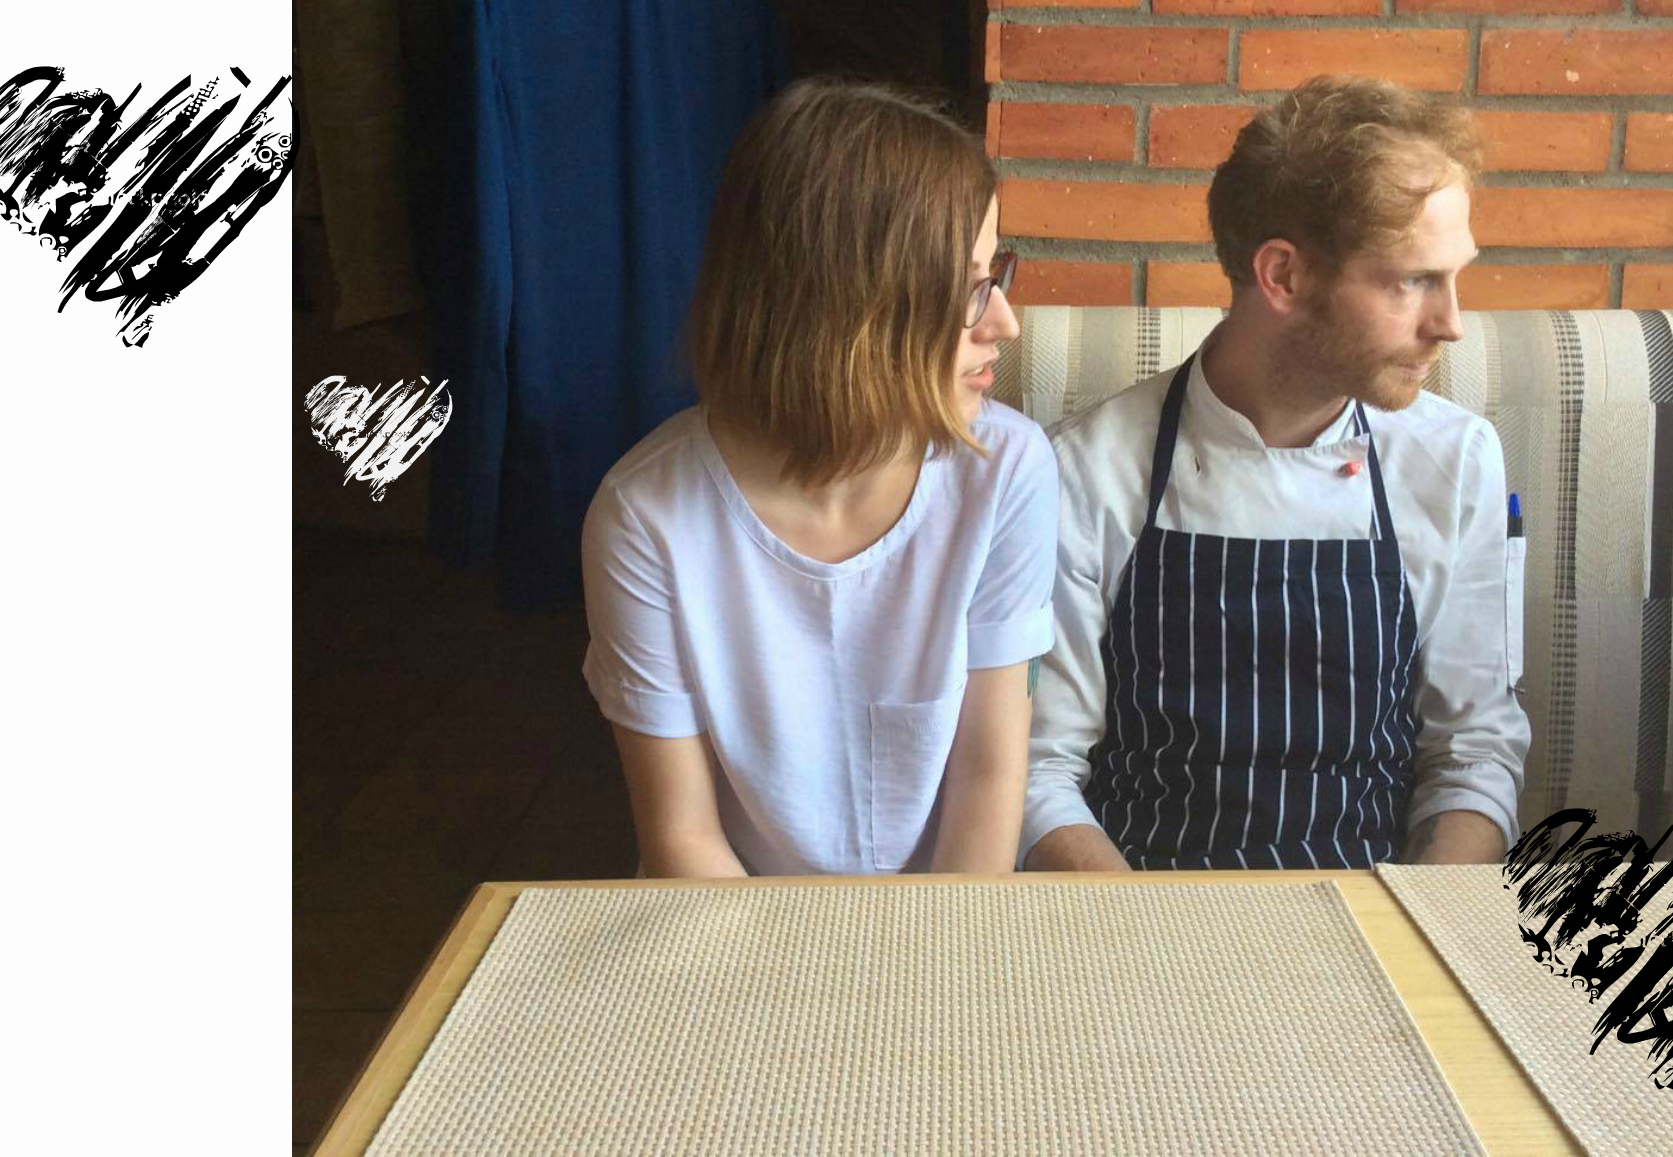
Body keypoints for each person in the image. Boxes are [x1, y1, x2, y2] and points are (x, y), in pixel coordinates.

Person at [1022, 75, 1529, 872]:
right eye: (1412, 281)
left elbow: (1473, 752)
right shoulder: (1083, 470)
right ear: (1283, 276)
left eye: (1454, 276)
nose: (1451, 324)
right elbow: (1041, 772)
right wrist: (1139, 930)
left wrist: (1422, 919)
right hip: (1140, 906)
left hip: (1379, 907)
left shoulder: (1457, 459)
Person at [580, 77, 1057, 877]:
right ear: (849, 309)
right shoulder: (645, 517)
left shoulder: (1006, 471)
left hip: (947, 918)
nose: (1005, 321)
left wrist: (946, 950)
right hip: (733, 921)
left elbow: (989, 774)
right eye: (970, 289)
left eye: (996, 275)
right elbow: (682, 837)